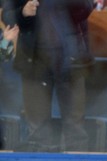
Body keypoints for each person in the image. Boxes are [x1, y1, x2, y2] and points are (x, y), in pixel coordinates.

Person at [2, 0, 94, 152]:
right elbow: (7, 16)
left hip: (70, 61)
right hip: (34, 62)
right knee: (38, 131)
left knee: (75, 129)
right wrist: (23, 12)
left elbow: (86, 8)